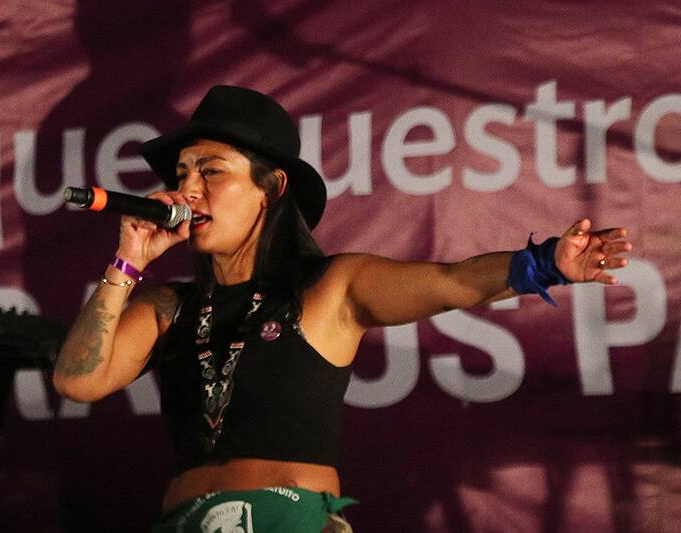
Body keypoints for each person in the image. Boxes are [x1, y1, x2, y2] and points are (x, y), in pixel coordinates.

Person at [52, 85, 632, 532]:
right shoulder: (167, 305)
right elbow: (78, 380)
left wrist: (545, 264)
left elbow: (450, 282)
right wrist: (128, 261)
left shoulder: (330, 287)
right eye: (182, 174)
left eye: (211, 172)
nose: (189, 189)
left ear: (272, 188)